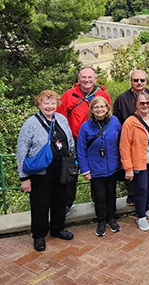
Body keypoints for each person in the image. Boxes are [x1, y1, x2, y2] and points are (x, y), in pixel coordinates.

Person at [17, 90, 75, 251]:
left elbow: (69, 140)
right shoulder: (30, 124)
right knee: (40, 204)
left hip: (61, 169)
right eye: (46, 103)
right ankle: (39, 235)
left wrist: (72, 161)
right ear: (39, 104)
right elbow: (22, 151)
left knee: (60, 200)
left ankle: (58, 228)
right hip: (41, 172)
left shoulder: (62, 119)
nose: (49, 106)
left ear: (57, 104)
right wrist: (24, 178)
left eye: (52, 103)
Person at [57, 66, 111, 216]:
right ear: (78, 78)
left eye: (90, 77)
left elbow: (108, 116)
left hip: (95, 140)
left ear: (95, 79)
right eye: (84, 77)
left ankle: (98, 201)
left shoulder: (103, 94)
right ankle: (67, 203)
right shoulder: (68, 95)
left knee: (97, 172)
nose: (87, 80)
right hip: (73, 141)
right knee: (70, 174)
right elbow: (60, 119)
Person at [113, 69, 149, 207]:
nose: (139, 83)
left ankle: (145, 203)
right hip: (130, 143)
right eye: (136, 80)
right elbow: (116, 119)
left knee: (147, 180)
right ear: (131, 81)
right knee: (132, 176)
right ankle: (134, 199)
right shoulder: (122, 99)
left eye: (142, 80)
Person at [77, 97, 123, 236]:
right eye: (96, 107)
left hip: (113, 166)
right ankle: (101, 220)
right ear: (91, 109)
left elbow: (122, 141)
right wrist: (85, 170)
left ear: (107, 108)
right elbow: (81, 149)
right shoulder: (86, 126)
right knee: (99, 196)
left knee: (111, 194)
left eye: (102, 106)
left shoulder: (114, 122)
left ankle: (111, 218)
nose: (99, 109)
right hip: (96, 168)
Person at [119, 92, 149, 231]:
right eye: (141, 103)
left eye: (147, 103)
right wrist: (128, 167)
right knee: (141, 188)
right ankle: (141, 216)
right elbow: (124, 146)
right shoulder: (130, 122)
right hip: (139, 161)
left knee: (148, 186)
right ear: (135, 104)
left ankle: (145, 209)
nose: (145, 106)